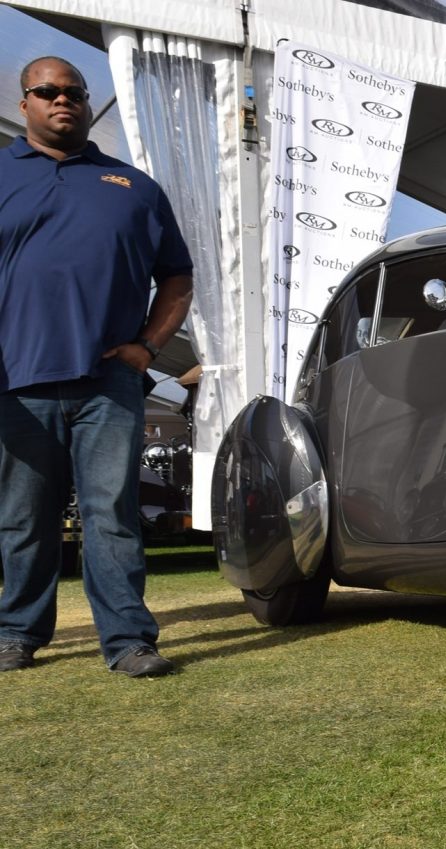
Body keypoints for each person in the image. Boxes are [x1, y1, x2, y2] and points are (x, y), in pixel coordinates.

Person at [0, 57, 194, 677]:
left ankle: (128, 642)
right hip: (16, 379)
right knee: (23, 518)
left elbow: (178, 278)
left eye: (74, 93)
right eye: (48, 92)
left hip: (109, 382)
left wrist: (148, 347)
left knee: (111, 513)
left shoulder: (134, 187)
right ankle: (17, 634)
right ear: (24, 101)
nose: (63, 101)